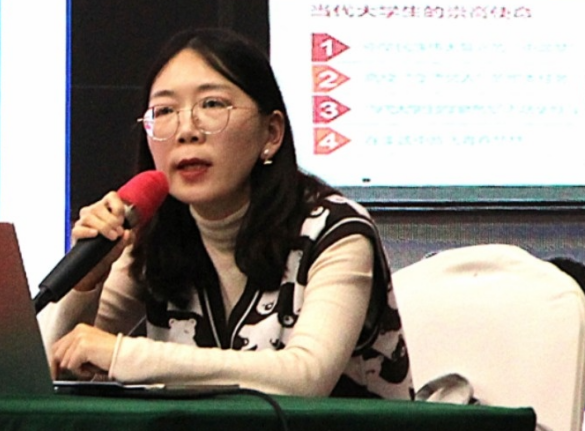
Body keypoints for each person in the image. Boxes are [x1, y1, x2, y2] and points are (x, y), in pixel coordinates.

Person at [40, 28, 413, 399]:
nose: (187, 130)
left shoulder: (336, 231)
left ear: (271, 133)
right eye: (165, 111)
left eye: (212, 105)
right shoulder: (155, 237)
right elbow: (49, 369)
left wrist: (123, 355)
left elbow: (306, 378)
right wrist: (86, 283)